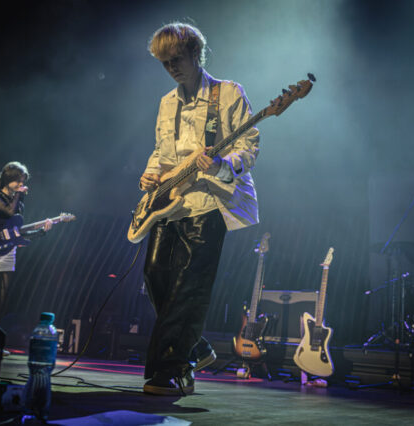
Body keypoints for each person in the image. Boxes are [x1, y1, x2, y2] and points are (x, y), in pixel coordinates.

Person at [140, 22, 260, 395]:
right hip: (170, 201)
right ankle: (198, 346)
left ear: (196, 53)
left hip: (210, 201)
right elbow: (161, 152)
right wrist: (150, 172)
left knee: (189, 286)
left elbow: (249, 147)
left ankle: (174, 368)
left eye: (176, 59)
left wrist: (222, 165)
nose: (171, 68)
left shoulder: (228, 93)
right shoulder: (166, 102)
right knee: (154, 274)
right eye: (164, 63)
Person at [0, 162, 52, 339]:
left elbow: (16, 232)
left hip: (8, 251)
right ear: (7, 179)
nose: (21, 185)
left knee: (0, 299)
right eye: (18, 181)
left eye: (23, 181)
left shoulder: (18, 203)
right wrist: (18, 195)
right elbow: (8, 212)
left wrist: (41, 231)